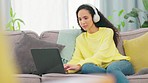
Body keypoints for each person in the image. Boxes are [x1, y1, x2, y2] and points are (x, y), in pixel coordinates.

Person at [64, 4, 135, 83]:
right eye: (80, 19)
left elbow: (102, 54)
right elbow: (77, 58)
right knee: (86, 67)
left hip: (119, 63)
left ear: (95, 18)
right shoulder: (80, 39)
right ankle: (110, 76)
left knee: (112, 69)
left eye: (85, 18)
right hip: (100, 68)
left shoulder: (107, 32)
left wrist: (79, 65)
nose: (82, 22)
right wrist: (67, 67)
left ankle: (110, 75)